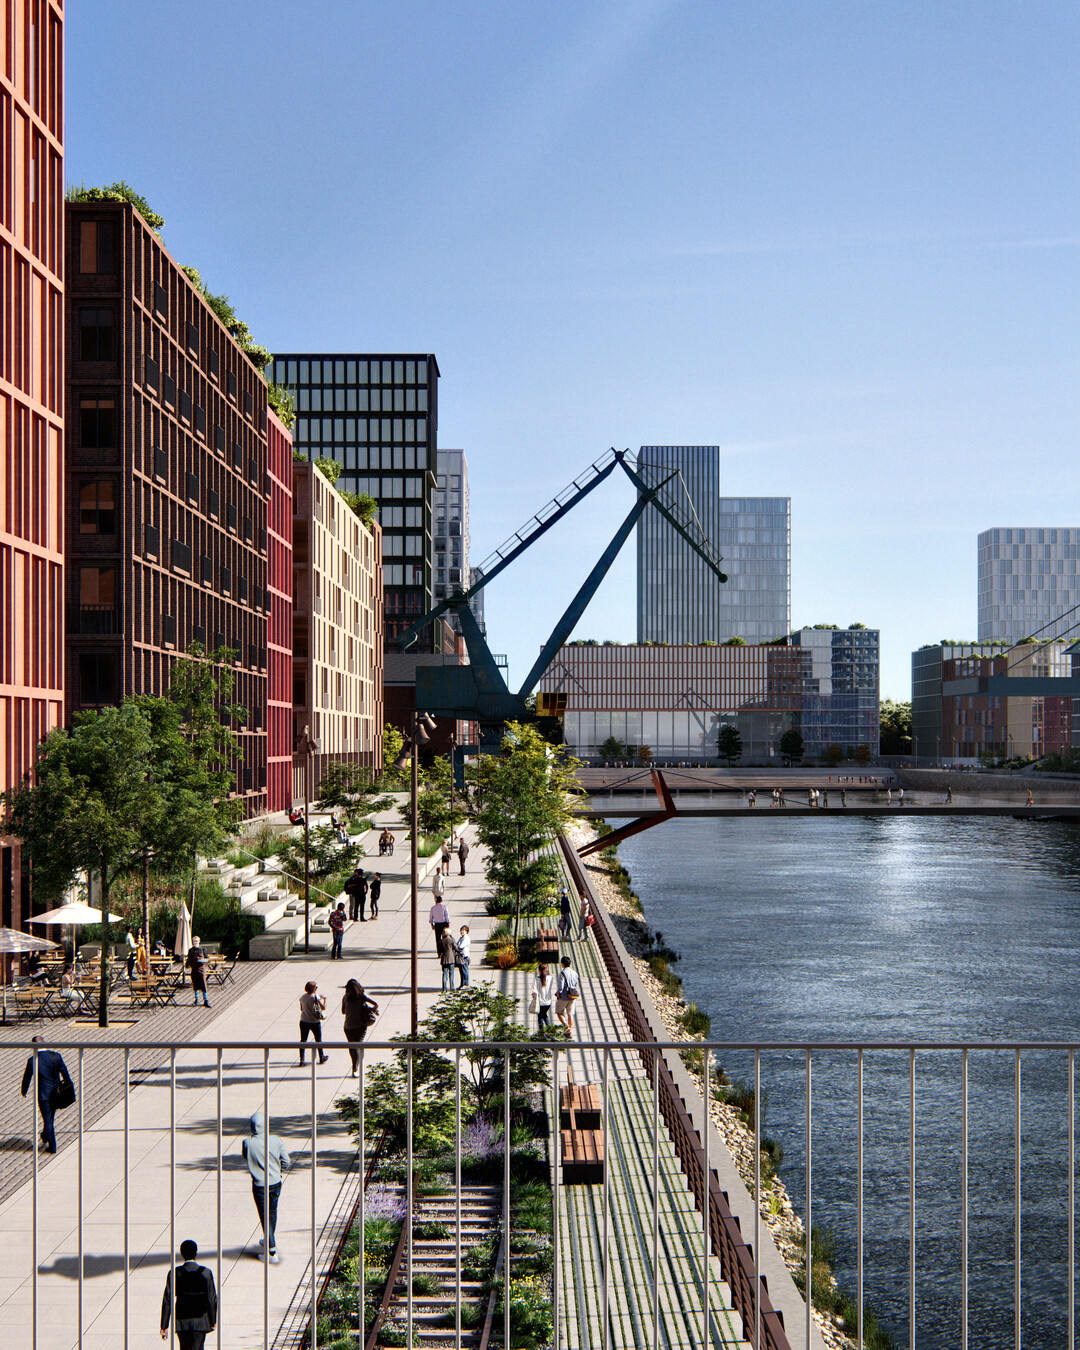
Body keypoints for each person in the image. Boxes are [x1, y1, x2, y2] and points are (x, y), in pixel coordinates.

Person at [241, 1114, 291, 1263]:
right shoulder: (276, 1140)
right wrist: (277, 1171)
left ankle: (271, 1251)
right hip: (275, 1182)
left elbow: (246, 1156)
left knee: (264, 1216)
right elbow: (286, 1161)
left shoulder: (247, 1143)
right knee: (272, 1212)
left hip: (260, 1185)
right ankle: (269, 1238)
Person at [20, 1036, 73, 1153]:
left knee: (47, 1119)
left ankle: (52, 1146)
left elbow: (27, 1077)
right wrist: (68, 1086)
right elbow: (65, 1073)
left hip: (43, 1095)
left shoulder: (32, 1060)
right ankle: (45, 1135)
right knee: (49, 1117)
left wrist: (24, 1090)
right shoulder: (56, 1056)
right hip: (56, 1093)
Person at [160, 1238, 217, 1345]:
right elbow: (211, 1298)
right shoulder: (206, 1272)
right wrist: (213, 1320)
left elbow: (167, 1299)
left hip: (182, 1322)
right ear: (196, 1253)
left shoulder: (175, 1273)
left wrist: (164, 1325)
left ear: (182, 1254)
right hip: (200, 1321)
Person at [341, 979, 379, 1074]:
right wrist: (370, 1009)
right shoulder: (361, 997)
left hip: (348, 1026)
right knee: (358, 1045)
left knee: (352, 1047)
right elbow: (375, 1004)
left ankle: (355, 1064)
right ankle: (356, 1066)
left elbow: (343, 1011)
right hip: (360, 1025)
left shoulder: (345, 997)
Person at [298, 980, 328, 1065]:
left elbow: (301, 1009)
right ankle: (321, 1056)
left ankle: (302, 1059)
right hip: (314, 1022)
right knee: (318, 1039)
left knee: (303, 1040)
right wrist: (325, 999)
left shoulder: (302, 997)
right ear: (314, 989)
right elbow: (323, 1008)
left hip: (303, 1020)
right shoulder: (315, 997)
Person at [555, 957, 581, 1039]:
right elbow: (576, 984)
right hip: (572, 996)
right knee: (570, 1013)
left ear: (562, 964)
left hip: (564, 996)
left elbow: (561, 987)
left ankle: (567, 1028)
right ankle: (570, 1031)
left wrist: (557, 993)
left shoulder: (562, 973)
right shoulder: (575, 973)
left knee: (559, 1012)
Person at [187, 937, 210, 1008]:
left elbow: (207, 959)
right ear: (193, 942)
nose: (195, 942)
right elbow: (189, 960)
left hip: (201, 969)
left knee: (203, 984)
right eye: (194, 941)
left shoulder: (203, 949)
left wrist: (202, 960)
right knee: (195, 984)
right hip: (194, 969)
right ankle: (196, 999)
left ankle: (206, 1000)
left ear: (199, 941)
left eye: (197, 941)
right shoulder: (191, 950)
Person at [531, 962, 555, 1028]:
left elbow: (534, 991)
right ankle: (549, 1030)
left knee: (540, 1016)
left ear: (538, 970)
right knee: (544, 1014)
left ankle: (542, 1032)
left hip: (540, 1002)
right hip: (548, 1001)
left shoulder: (536, 979)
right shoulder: (550, 978)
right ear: (546, 969)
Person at [439, 927, 458, 991]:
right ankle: (452, 987)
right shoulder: (452, 939)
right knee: (451, 974)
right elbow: (456, 947)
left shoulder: (442, 941)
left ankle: (444, 988)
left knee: (444, 974)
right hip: (451, 958)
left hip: (444, 958)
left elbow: (440, 950)